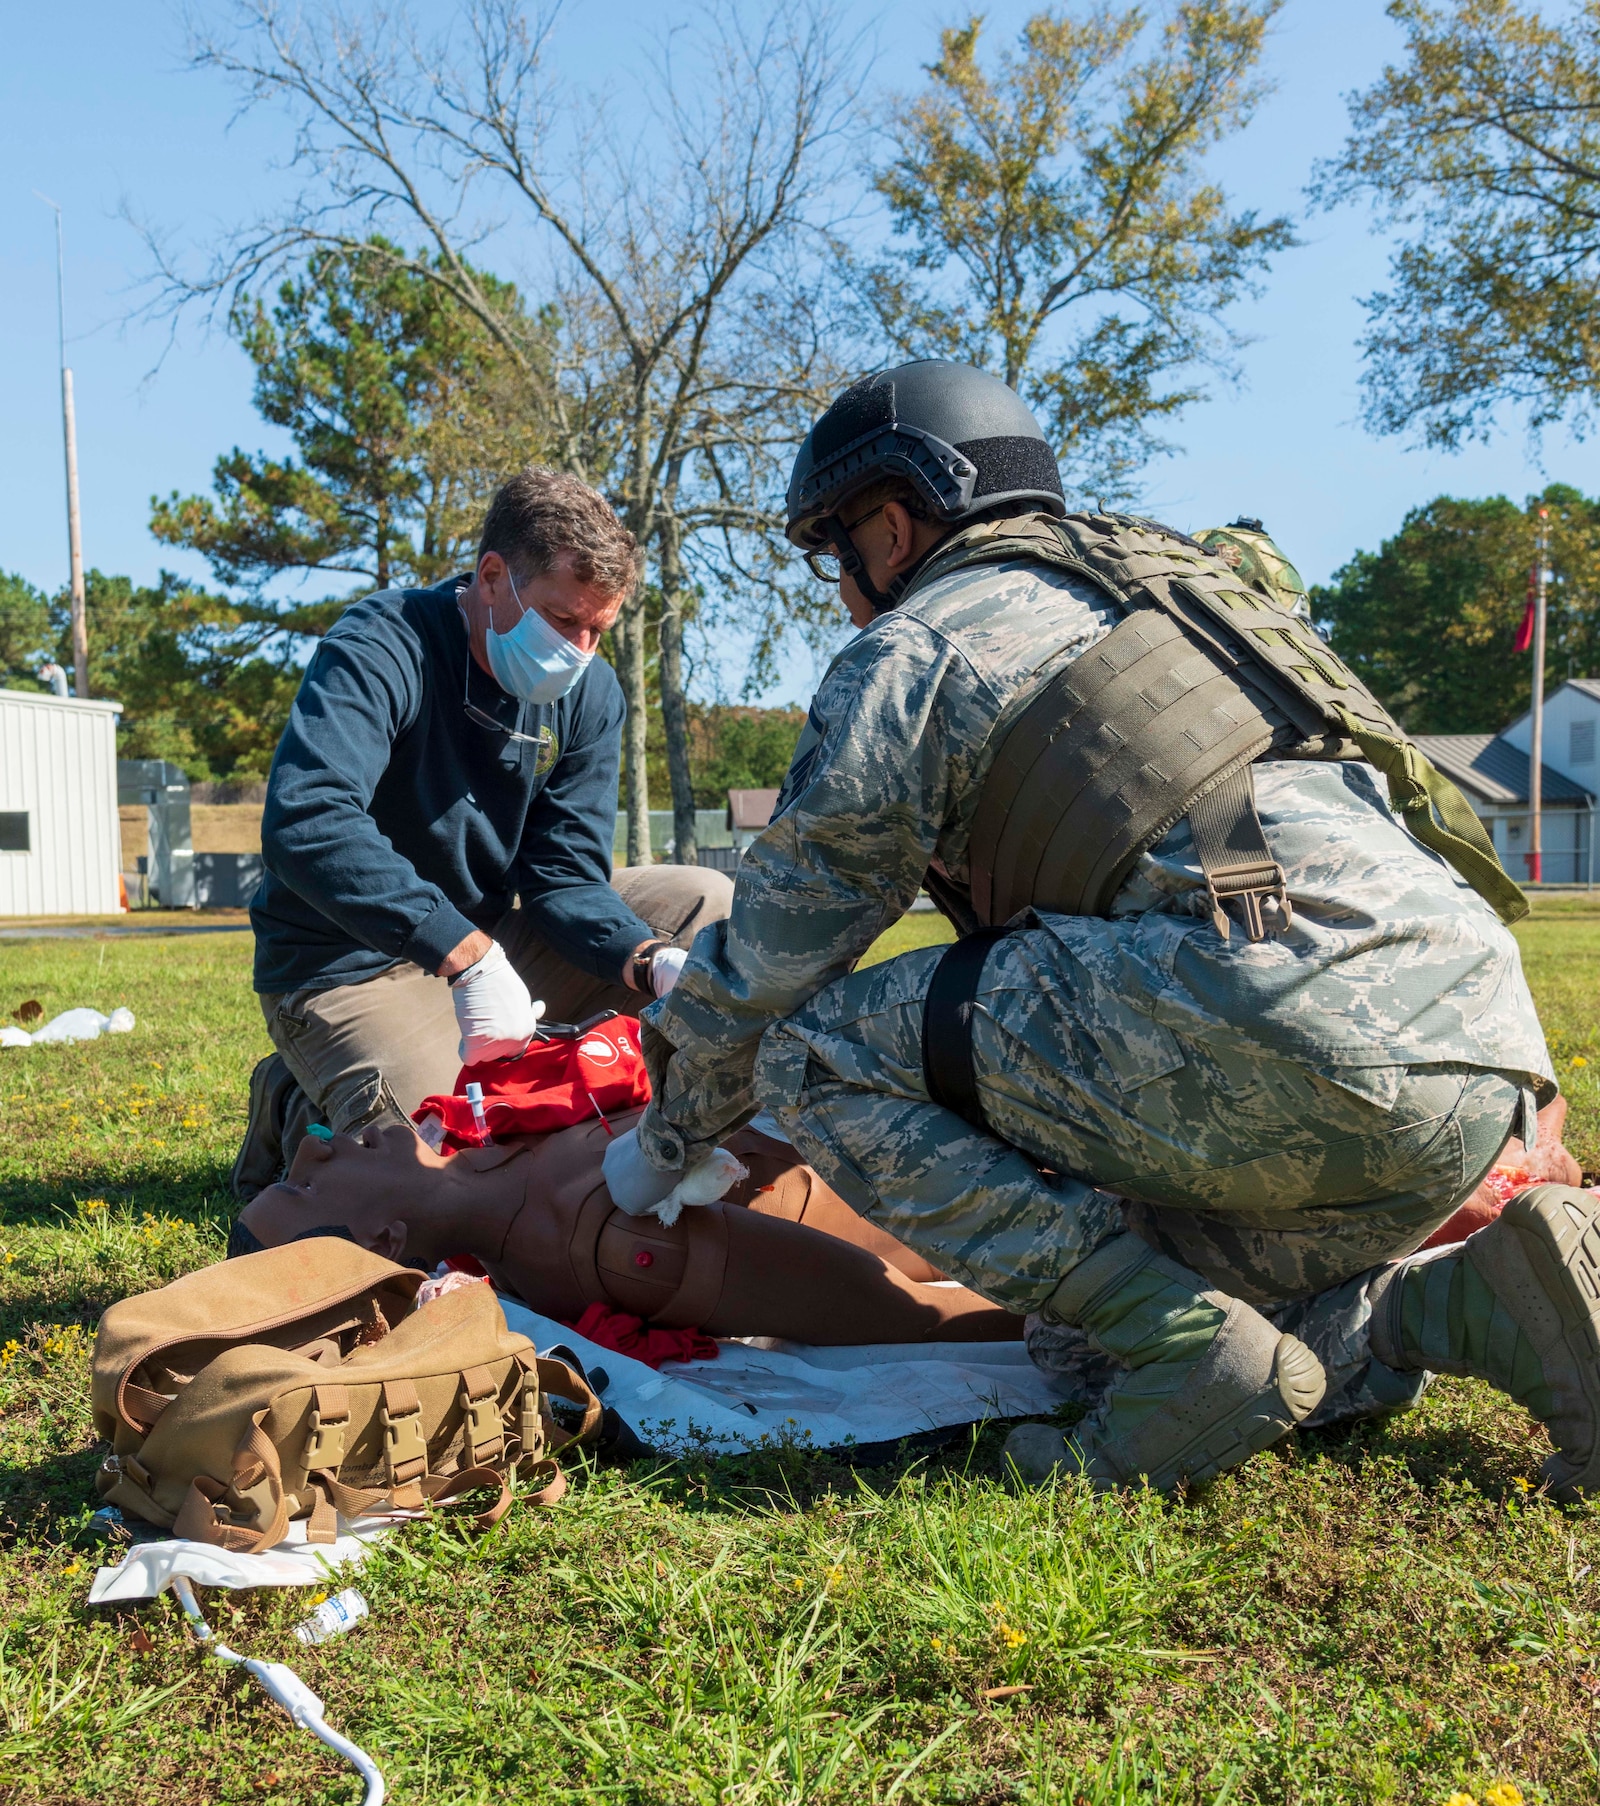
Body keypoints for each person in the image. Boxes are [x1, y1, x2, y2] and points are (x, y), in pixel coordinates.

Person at [603, 357, 1600, 1497]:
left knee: (813, 1044)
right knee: (1081, 1347)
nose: (843, 586)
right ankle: (1481, 1294)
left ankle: (1186, 1349)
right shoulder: (1192, 589)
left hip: (1285, 1026)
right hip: (1477, 1058)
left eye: (839, 551)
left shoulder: (920, 645)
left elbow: (787, 936)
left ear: (891, 522)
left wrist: (669, 1130)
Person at [231, 469, 732, 1197]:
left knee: (704, 902)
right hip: (350, 962)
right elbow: (308, 816)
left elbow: (563, 875)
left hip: (491, 947)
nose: (582, 651)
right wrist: (462, 953)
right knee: (451, 1168)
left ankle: (667, 1120)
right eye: (565, 622)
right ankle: (294, 1098)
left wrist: (647, 958)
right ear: (493, 577)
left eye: (600, 629)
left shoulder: (589, 693)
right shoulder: (386, 643)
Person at [231, 1115, 1021, 1347]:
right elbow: (889, 1309)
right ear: (386, 1243)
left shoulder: (486, 1138)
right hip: (998, 1179)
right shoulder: (620, 1247)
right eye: (302, 1182)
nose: (310, 1144)